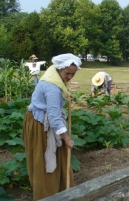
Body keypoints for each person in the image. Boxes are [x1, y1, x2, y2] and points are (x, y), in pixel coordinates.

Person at [22, 53, 82, 201]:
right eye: (67, 73)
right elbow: (54, 118)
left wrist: (66, 96)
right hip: (40, 124)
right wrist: (66, 139)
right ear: (60, 68)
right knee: (44, 161)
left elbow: (56, 98)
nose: (69, 77)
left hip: (47, 119)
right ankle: (47, 196)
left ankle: (61, 190)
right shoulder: (52, 87)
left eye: (73, 74)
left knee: (58, 155)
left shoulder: (55, 75)